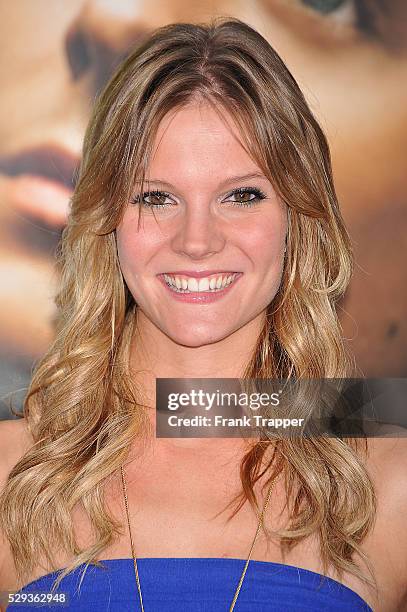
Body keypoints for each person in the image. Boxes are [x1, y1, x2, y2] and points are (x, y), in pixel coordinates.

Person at [0, 18, 406, 612]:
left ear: (300, 220)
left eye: (241, 195)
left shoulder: (386, 490)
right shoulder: (15, 480)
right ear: (106, 221)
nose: (196, 240)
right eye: (155, 197)